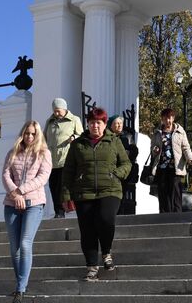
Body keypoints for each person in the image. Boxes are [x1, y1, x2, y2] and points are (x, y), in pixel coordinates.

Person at [62, 107, 131, 281]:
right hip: (83, 192)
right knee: (87, 230)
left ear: (104, 123)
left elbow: (126, 163)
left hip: (110, 189)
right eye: (92, 122)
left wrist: (116, 174)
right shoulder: (78, 144)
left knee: (106, 220)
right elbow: (68, 171)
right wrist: (66, 195)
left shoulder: (114, 141)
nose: (95, 126)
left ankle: (106, 252)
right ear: (88, 124)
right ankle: (92, 267)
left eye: (98, 122)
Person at [2, 121, 52, 303]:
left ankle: (20, 289)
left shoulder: (44, 153)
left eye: (33, 134)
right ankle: (20, 284)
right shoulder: (12, 152)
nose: (29, 137)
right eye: (27, 133)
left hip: (34, 203)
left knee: (25, 243)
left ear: (37, 135)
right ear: (22, 134)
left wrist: (21, 191)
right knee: (14, 248)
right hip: (11, 203)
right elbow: (5, 175)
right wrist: (14, 194)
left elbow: (42, 178)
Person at [151, 108, 192, 213]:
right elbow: (152, 149)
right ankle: (164, 217)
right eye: (165, 119)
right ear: (162, 119)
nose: (168, 121)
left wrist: (190, 158)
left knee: (175, 194)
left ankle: (177, 217)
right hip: (161, 167)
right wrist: (155, 150)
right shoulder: (157, 133)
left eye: (169, 118)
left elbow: (186, 147)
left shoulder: (180, 131)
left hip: (175, 168)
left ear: (173, 118)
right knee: (163, 194)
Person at [45, 98, 83, 218]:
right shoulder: (50, 121)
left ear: (64, 108)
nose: (56, 113)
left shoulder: (74, 120)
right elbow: (44, 138)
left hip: (66, 159)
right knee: (53, 186)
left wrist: (74, 137)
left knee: (62, 187)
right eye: (54, 111)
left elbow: (82, 135)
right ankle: (58, 211)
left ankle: (62, 211)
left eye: (58, 111)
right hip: (51, 160)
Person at [108, 114, 140, 215]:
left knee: (122, 194)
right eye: (116, 123)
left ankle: (120, 213)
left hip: (123, 171)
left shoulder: (128, 136)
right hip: (110, 171)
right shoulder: (107, 137)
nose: (119, 125)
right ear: (111, 125)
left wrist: (124, 156)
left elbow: (134, 151)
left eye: (121, 123)